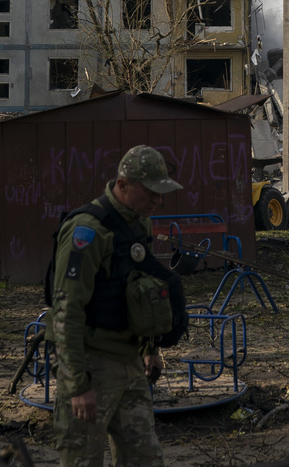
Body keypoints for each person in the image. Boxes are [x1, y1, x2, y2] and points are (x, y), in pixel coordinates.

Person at [48, 145, 182, 467]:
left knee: (146, 458)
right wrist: (77, 385)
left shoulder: (139, 225)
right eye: (151, 191)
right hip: (93, 364)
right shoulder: (88, 231)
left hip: (131, 362)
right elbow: (67, 310)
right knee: (83, 459)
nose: (157, 200)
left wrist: (151, 348)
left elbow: (141, 288)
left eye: (161, 193)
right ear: (123, 185)